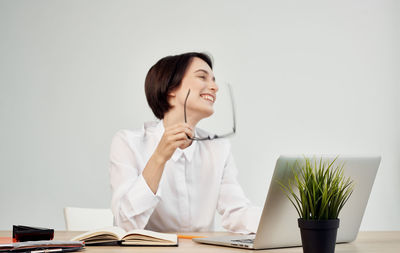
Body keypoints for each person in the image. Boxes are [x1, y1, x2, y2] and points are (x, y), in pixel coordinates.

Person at [109, 52, 261, 233]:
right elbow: (125, 224)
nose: (214, 87)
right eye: (202, 77)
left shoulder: (219, 148)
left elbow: (237, 213)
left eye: (213, 80)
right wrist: (159, 157)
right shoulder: (129, 143)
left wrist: (290, 218)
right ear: (171, 88)